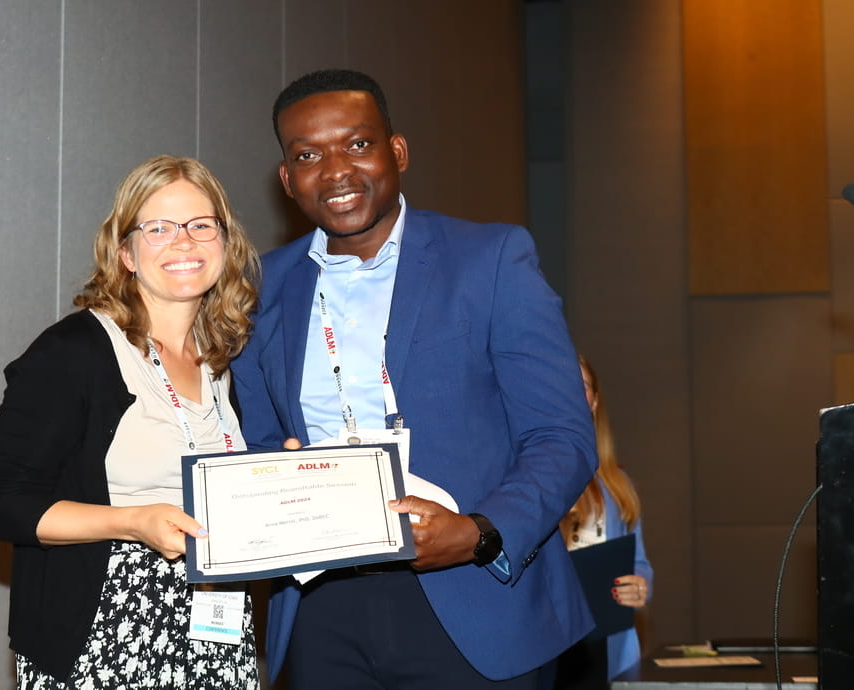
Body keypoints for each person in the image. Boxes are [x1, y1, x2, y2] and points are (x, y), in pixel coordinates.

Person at [231, 68, 598, 689]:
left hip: (475, 597)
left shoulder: (492, 260)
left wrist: (482, 534)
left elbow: (562, 435)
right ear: (288, 179)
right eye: (308, 155)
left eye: (357, 144)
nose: (337, 171)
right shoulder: (259, 290)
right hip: (324, 608)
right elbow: (261, 442)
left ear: (396, 152)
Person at [0, 155, 261, 689]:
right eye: (157, 228)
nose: (184, 242)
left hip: (215, 628)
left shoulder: (224, 356)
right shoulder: (72, 353)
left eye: (201, 225)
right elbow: (5, 507)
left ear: (225, 244)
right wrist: (133, 522)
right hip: (104, 629)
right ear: (126, 252)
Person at [553, 355, 653, 687]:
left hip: (607, 643)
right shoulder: (526, 479)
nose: (570, 391)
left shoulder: (618, 484)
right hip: (551, 644)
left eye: (580, 385)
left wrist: (640, 586)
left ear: (594, 401)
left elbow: (639, 562)